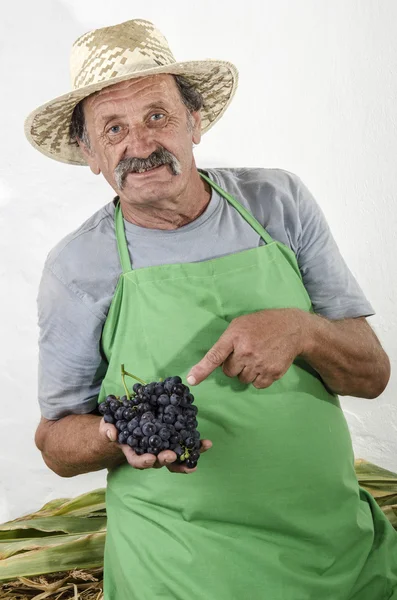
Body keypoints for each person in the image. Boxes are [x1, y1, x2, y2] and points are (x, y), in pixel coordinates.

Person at [26, 18, 397, 600]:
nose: (140, 145)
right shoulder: (77, 268)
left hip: (334, 552)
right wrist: (116, 431)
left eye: (157, 115)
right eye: (113, 128)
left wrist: (302, 330)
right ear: (90, 152)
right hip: (183, 572)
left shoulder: (278, 204)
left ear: (195, 122)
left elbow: (372, 376)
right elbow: (55, 443)